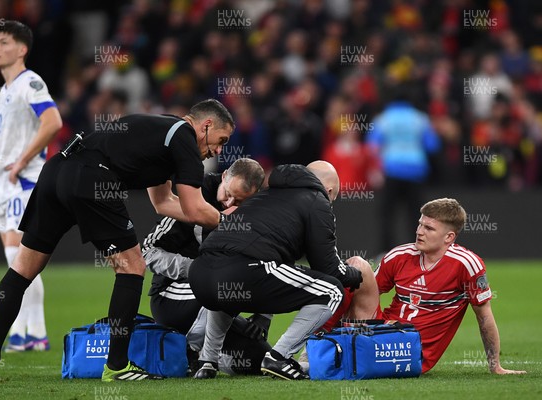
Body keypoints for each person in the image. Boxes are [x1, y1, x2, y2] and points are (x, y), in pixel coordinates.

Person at [0, 98, 235, 382]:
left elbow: (163, 203)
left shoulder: (166, 131)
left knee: (23, 269)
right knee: (132, 267)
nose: (218, 150)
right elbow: (195, 208)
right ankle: (117, 366)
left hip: (57, 171)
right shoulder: (184, 138)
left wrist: (213, 218)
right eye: (220, 140)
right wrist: (232, 224)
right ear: (206, 126)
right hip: (92, 178)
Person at [188, 161, 364, 380]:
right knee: (332, 291)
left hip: (199, 274)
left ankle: (207, 361)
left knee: (226, 292)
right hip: (243, 268)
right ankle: (279, 357)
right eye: (333, 199)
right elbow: (327, 266)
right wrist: (354, 274)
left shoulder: (267, 194)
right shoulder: (317, 201)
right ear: (328, 191)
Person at [142, 157, 270, 374]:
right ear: (223, 176)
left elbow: (269, 261)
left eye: (239, 202)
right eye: (228, 194)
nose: (229, 204)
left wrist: (264, 316)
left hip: (221, 300)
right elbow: (147, 251)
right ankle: (197, 353)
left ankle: (196, 354)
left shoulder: (257, 211)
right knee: (224, 281)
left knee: (257, 360)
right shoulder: (195, 196)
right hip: (173, 296)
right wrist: (197, 270)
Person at [375, 198, 527, 375]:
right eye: (420, 224)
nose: (419, 232)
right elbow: (365, 294)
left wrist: (495, 366)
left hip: (412, 352)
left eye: (429, 228)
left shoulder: (466, 265)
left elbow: (484, 316)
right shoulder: (399, 255)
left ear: (449, 237)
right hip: (380, 333)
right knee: (357, 267)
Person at [0, 21, 62, 352]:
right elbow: (13, 133)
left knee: (21, 257)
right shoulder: (5, 90)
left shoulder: (30, 82)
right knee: (11, 257)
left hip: (24, 180)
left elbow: (52, 122)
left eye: (3, 41)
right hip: (5, 183)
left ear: (22, 49)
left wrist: (20, 161)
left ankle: (35, 332)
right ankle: (22, 333)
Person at [366, 93, 440, 252]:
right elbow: (432, 145)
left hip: (391, 170)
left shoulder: (383, 118)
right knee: (417, 215)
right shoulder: (421, 119)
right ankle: (419, 250)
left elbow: (372, 146)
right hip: (416, 170)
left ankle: (385, 251)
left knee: (387, 215)